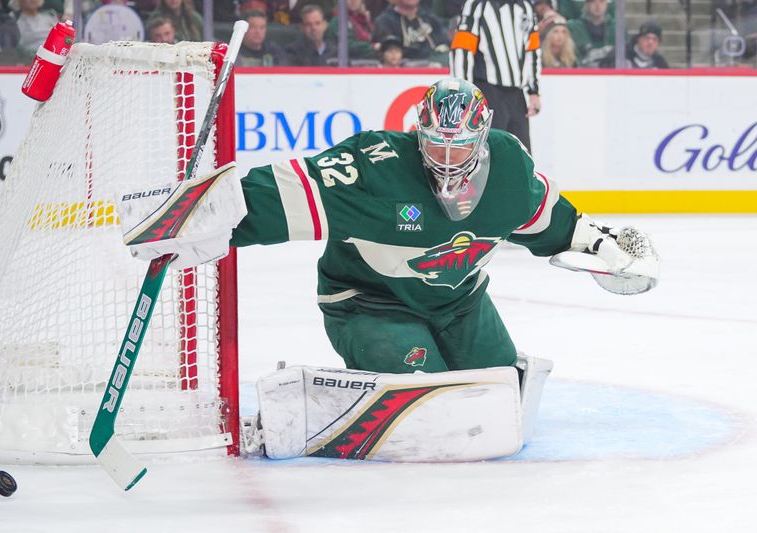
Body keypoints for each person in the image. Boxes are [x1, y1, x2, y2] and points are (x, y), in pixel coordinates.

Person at [217, 78, 656, 375]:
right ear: (418, 131)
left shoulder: (508, 168)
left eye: (460, 146)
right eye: (436, 144)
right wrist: (209, 217)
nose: (446, 158)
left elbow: (554, 222)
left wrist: (603, 246)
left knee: (498, 383)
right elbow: (282, 194)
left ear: (482, 139)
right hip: (370, 302)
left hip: (459, 304)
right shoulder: (376, 165)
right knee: (422, 384)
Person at [450, 0, 540, 152]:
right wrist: (463, 91)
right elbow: (462, 48)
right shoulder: (477, 4)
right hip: (487, 89)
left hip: (516, 93)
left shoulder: (525, 6)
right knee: (490, 150)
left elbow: (532, 49)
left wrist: (533, 91)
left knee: (522, 152)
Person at [371, 0, 450, 64]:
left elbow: (444, 45)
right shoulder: (384, 22)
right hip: (400, 74)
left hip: (433, 71)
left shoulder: (431, 20)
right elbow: (387, 53)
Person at [567, 0, 614, 68]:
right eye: (593, 1)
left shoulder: (617, 27)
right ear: (586, 4)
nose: (597, 5)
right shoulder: (574, 26)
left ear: (607, 4)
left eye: (601, 1)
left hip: (611, 72)